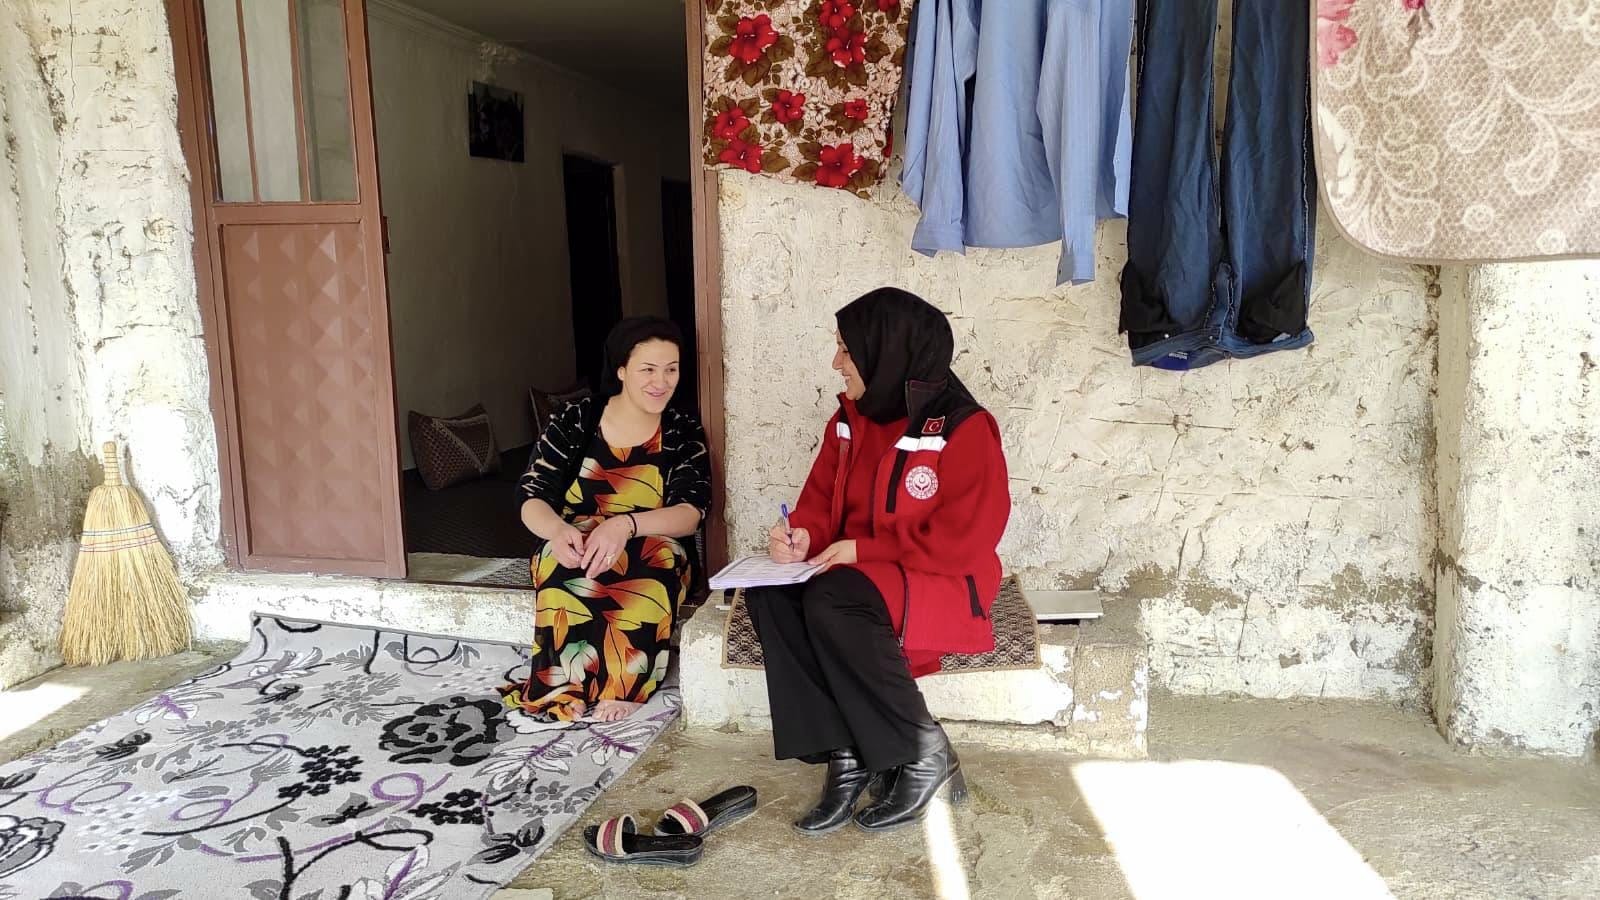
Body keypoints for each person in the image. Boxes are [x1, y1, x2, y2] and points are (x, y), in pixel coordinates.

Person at [746, 287, 1011, 835]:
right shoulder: (847, 421)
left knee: (833, 596)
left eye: (847, 349)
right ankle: (846, 753)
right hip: (863, 576)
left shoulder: (964, 427)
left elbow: (967, 540)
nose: (836, 363)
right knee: (771, 591)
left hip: (945, 581)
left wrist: (864, 550)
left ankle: (923, 749)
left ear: (886, 351)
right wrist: (801, 536)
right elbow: (819, 502)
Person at [500, 317, 710, 722]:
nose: (661, 382)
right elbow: (531, 494)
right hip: (576, 532)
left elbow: (691, 512)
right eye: (648, 369)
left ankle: (625, 686)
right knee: (559, 565)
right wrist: (557, 531)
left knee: (651, 565)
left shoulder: (681, 429)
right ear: (621, 370)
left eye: (671, 369)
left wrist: (624, 525)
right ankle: (563, 686)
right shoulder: (576, 419)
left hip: (652, 536)